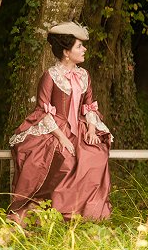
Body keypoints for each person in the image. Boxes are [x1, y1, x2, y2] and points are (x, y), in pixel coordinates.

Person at [8, 21, 112, 223]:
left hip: (80, 128)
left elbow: (90, 105)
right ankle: (54, 211)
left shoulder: (84, 75)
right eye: (79, 46)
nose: (84, 49)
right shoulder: (50, 76)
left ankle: (88, 212)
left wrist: (91, 128)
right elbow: (43, 110)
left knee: (96, 155)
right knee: (64, 159)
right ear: (66, 52)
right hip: (56, 129)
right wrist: (63, 138)